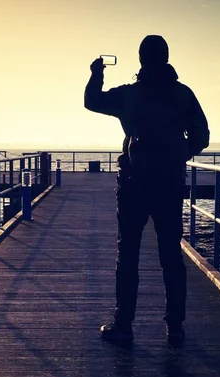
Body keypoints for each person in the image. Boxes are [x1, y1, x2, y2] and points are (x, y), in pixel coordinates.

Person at [84, 35, 209, 344]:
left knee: (128, 254)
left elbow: (91, 101)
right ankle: (175, 327)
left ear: (140, 59)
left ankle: (124, 325)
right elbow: (202, 135)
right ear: (166, 57)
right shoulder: (182, 94)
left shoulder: (130, 94)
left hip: (133, 184)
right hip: (169, 184)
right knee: (171, 254)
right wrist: (179, 154)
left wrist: (96, 73)